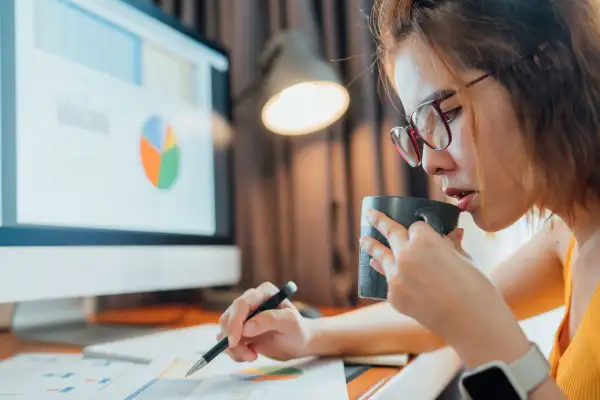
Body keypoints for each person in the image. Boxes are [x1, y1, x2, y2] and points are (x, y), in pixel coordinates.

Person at [217, 0, 600, 398]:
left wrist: (476, 327)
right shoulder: (569, 235)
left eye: (447, 113)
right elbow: (428, 323)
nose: (430, 163)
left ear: (546, 70)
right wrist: (309, 334)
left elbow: (472, 316)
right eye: (419, 133)